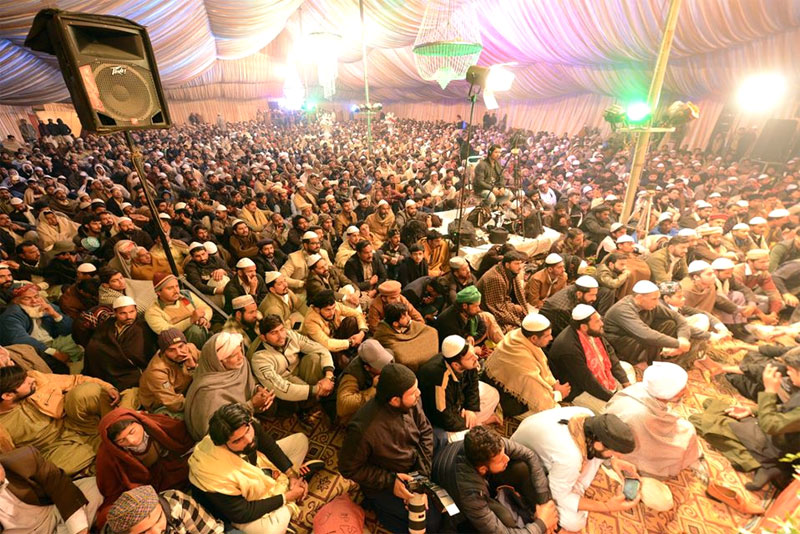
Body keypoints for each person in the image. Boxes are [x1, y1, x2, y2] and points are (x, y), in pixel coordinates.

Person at [338, 363, 441, 533]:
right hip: (385, 480)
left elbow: (426, 432)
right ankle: (378, 508)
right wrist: (391, 481)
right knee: (430, 523)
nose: (419, 394)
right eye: (413, 393)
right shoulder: (363, 429)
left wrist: (420, 481)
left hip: (414, 468)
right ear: (394, 400)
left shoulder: (411, 402)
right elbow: (348, 468)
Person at [188, 403, 320, 534]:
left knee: (300, 441)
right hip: (233, 510)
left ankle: (291, 482)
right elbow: (243, 513)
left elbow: (269, 446)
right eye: (237, 440)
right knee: (271, 531)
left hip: (253, 466)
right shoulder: (215, 475)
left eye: (248, 430)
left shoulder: (245, 426)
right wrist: (288, 496)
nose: (249, 439)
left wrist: (292, 475)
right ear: (223, 445)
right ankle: (294, 490)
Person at [511, 408, 639, 533]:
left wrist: (612, 461)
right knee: (574, 522)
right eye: (615, 452)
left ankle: (573, 484)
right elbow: (559, 497)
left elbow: (595, 451)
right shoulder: (570, 457)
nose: (617, 456)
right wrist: (606, 506)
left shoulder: (587, 415)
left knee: (598, 456)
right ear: (599, 444)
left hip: (537, 448)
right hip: (518, 465)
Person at [691, 351, 800, 492]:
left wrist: (769, 391)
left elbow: (770, 426)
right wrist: (752, 410)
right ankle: (769, 464)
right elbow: (788, 410)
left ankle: (760, 464)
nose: (788, 374)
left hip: (777, 446)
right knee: (712, 404)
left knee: (699, 421)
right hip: (780, 434)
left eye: (791, 370)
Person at [432, 426, 558, 534]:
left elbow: (529, 455)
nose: (507, 458)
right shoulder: (469, 495)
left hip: (471, 474)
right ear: (482, 469)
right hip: (457, 509)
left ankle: (542, 514)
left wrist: (544, 503)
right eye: (500, 460)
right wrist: (541, 524)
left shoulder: (492, 445)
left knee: (521, 468)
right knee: (506, 519)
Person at [0, 364, 120, 475]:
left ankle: (116, 427)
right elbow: (13, 460)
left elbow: (75, 380)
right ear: (8, 395)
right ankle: (111, 439)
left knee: (88, 390)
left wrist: (108, 388)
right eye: (24, 382)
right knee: (55, 470)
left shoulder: (36, 378)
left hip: (74, 421)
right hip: (56, 448)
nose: (31, 380)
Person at [95, 408, 195, 528]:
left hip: (170, 469)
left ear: (139, 422)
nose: (132, 441)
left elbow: (182, 439)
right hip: (138, 487)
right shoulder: (107, 454)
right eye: (122, 440)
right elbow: (112, 489)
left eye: (132, 432)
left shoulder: (156, 423)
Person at [183, 332, 274, 441]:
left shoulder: (241, 364)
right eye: (234, 355)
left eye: (240, 350)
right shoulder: (208, 392)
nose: (241, 356)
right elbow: (215, 432)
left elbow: (248, 384)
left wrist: (258, 390)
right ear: (219, 362)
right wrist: (251, 405)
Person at [418, 335, 500, 446]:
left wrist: (470, 408)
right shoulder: (439, 381)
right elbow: (445, 418)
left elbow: (473, 384)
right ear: (456, 365)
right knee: (460, 441)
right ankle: (479, 424)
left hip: (458, 402)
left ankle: (474, 424)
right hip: (439, 417)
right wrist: (466, 422)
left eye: (474, 354)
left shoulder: (468, 362)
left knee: (493, 394)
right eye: (471, 357)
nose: (476, 358)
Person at [0, 445, 102, 534]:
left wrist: (79, 530)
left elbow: (59, 484)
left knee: (93, 486)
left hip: (53, 513)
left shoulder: (23, 459)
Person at [548, 304, 631, 413]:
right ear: (584, 327)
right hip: (580, 390)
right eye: (597, 321)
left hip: (598, 375)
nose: (602, 323)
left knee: (627, 368)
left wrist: (625, 381)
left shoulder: (593, 331)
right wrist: (612, 398)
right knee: (613, 412)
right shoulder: (568, 347)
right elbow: (587, 381)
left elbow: (610, 354)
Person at [484, 313, 568, 418]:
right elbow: (541, 400)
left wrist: (553, 384)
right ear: (533, 338)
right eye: (547, 336)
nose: (551, 338)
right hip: (506, 396)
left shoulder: (518, 335)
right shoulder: (521, 361)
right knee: (554, 412)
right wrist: (559, 394)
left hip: (504, 382)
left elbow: (541, 365)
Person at [250, 314, 335, 415]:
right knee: (292, 398)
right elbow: (280, 388)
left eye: (282, 329)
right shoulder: (259, 357)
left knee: (315, 358)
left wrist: (328, 377)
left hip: (298, 369)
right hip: (283, 380)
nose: (281, 336)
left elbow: (321, 349)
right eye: (274, 333)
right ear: (263, 337)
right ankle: (306, 408)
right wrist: (315, 389)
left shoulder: (291, 335)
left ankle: (320, 393)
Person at [604, 280, 692, 366]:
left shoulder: (651, 304)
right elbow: (645, 334)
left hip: (640, 338)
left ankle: (659, 359)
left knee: (670, 323)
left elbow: (677, 317)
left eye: (658, 298)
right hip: (620, 344)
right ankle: (640, 364)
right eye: (654, 299)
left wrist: (683, 338)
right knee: (648, 337)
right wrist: (678, 344)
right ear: (639, 298)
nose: (657, 302)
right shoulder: (622, 310)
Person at [85, 296, 157, 392]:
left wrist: (109, 353)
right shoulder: (108, 325)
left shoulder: (142, 327)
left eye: (132, 312)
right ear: (115, 313)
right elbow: (94, 346)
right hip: (106, 367)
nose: (129, 316)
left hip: (129, 371)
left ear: (136, 310)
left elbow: (135, 354)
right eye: (123, 313)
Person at [0, 283, 75, 373]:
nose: (34, 301)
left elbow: (69, 329)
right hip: (32, 349)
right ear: (16, 301)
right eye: (27, 298)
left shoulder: (45, 305)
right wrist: (54, 352)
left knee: (79, 340)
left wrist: (55, 314)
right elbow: (20, 339)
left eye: (36, 296)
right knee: (59, 368)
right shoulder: (11, 315)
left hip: (51, 342)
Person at [103, 485, 224, 534]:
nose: (156, 531)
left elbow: (211, 531)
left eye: (159, 518)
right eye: (145, 532)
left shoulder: (177, 503)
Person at [138, 328, 198, 417]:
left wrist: (193, 367)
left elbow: (209, 371)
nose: (179, 352)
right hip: (161, 404)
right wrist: (199, 405)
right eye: (171, 350)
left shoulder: (190, 348)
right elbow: (173, 402)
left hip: (183, 393)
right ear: (164, 352)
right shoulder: (157, 371)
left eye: (181, 346)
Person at [300, 290, 367, 369]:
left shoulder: (335, 307)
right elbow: (328, 344)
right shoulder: (311, 321)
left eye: (333, 308)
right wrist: (351, 342)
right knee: (344, 361)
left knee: (352, 321)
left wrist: (362, 333)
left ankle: (357, 353)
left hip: (336, 336)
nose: (332, 312)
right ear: (317, 310)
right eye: (328, 310)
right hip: (322, 347)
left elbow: (357, 314)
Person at [144, 273, 212, 348]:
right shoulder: (153, 311)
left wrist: (204, 318)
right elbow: (167, 331)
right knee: (195, 330)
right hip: (178, 344)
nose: (176, 291)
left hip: (204, 330)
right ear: (158, 292)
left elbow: (207, 308)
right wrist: (191, 320)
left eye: (177, 286)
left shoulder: (186, 295)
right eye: (170, 288)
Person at [336, 339, 394, 424]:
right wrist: (374, 389)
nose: (386, 367)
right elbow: (343, 406)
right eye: (380, 366)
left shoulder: (389, 356)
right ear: (367, 367)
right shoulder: (352, 375)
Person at [373, 300, 438, 372]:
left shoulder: (405, 323)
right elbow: (403, 358)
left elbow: (429, 331)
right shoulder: (382, 335)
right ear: (395, 324)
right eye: (404, 317)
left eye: (407, 315)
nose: (409, 318)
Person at [476, 251, 527, 332]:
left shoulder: (510, 272)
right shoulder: (496, 278)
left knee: (521, 311)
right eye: (516, 264)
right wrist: (514, 312)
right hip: (486, 308)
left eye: (520, 263)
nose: (520, 267)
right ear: (507, 265)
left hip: (503, 302)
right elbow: (496, 307)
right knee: (512, 328)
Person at [540, 275, 601, 339]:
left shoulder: (575, 290)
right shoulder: (564, 309)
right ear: (579, 294)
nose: (594, 298)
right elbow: (571, 334)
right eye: (592, 295)